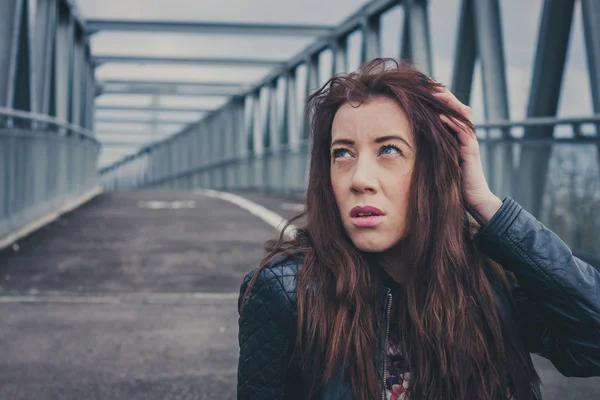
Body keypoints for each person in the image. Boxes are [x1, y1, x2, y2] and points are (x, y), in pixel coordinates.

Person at [236, 58, 600, 400]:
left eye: (389, 150)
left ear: (434, 169)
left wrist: (488, 205)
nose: (360, 180)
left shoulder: (492, 276)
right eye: (343, 153)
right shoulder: (289, 293)